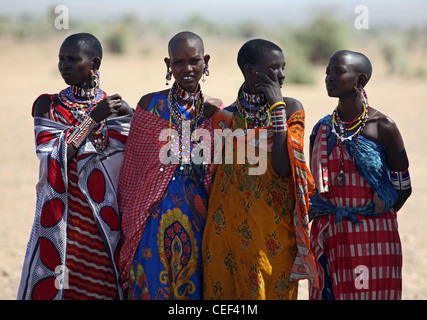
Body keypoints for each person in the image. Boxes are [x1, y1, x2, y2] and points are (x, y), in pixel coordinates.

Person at [17, 33, 133, 300]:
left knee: (102, 289)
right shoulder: (48, 105)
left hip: (103, 227)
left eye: (72, 59)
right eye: (61, 59)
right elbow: (55, 157)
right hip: (62, 222)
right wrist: (92, 119)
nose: (64, 65)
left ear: (94, 63)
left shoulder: (115, 110)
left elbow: (139, 156)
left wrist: (123, 114)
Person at [202, 39, 317, 300]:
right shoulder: (224, 118)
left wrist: (276, 108)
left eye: (283, 67)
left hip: (272, 231)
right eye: (274, 68)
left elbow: (283, 168)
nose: (282, 75)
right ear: (249, 70)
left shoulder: (290, 109)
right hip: (225, 231)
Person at [118, 31, 223, 300]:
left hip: (198, 212)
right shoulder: (150, 105)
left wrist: (208, 124)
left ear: (205, 61)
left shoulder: (217, 109)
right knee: (153, 282)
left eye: (194, 61)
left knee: (194, 284)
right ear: (168, 64)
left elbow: (220, 169)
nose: (187, 69)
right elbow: (134, 171)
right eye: (178, 62)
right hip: (152, 212)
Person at [308, 50, 412, 300]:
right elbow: (315, 186)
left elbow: (403, 187)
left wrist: (371, 215)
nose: (329, 78)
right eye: (327, 72)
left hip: (373, 234)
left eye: (338, 72)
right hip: (329, 233)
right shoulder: (322, 128)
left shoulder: (383, 127)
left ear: (361, 80)